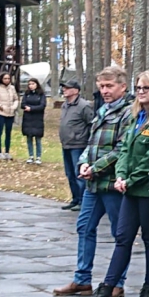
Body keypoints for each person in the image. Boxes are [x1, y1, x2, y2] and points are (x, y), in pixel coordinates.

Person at [78, 71, 149, 297]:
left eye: (146, 88)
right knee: (123, 238)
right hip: (128, 187)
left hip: (147, 189)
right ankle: (106, 289)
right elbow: (126, 149)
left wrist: (131, 178)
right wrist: (120, 174)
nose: (140, 92)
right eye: (138, 88)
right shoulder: (139, 116)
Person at [53, 66, 134, 297]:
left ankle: (117, 282)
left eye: (109, 86)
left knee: (120, 233)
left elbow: (122, 149)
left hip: (111, 184)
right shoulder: (101, 110)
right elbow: (91, 143)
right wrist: (83, 163)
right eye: (102, 86)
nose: (105, 91)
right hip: (92, 184)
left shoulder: (128, 113)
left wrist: (96, 168)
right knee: (84, 227)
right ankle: (82, 279)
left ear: (122, 86)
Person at [59, 80, 94, 211]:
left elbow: (91, 124)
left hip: (79, 144)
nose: (64, 90)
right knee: (70, 174)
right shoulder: (65, 105)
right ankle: (75, 199)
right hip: (66, 144)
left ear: (76, 90)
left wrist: (87, 142)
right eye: (64, 88)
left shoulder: (84, 106)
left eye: (67, 88)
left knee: (78, 173)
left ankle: (83, 201)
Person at [0, 72, 19, 161]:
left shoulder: (12, 88)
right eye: (5, 78)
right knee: (0, 131)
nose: (7, 80)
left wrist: (14, 106)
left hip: (10, 113)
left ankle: (7, 152)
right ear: (1, 79)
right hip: (0, 113)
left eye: (8, 78)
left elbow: (16, 99)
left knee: (8, 132)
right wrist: (0, 106)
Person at [21, 78, 47, 165]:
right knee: (29, 138)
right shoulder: (27, 94)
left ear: (36, 84)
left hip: (37, 119)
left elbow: (42, 105)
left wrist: (31, 108)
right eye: (29, 84)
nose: (31, 86)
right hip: (28, 119)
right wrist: (26, 107)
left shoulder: (41, 94)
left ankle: (38, 156)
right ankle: (31, 156)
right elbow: (23, 104)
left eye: (32, 84)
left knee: (38, 138)